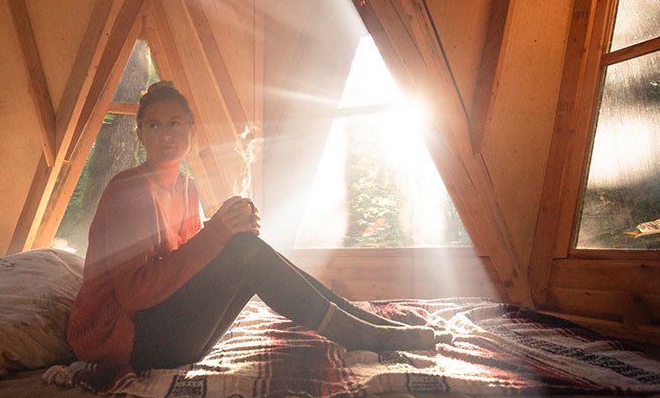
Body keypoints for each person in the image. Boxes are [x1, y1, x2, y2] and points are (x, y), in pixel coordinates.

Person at [67, 81, 440, 372]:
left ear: (191, 129)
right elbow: (135, 295)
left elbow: (189, 267)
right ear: (140, 134)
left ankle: (364, 323)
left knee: (243, 245)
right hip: (126, 342)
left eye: (175, 123)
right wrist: (219, 235)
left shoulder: (186, 188)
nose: (166, 134)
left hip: (167, 332)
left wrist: (231, 228)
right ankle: (360, 333)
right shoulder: (129, 191)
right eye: (154, 125)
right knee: (243, 251)